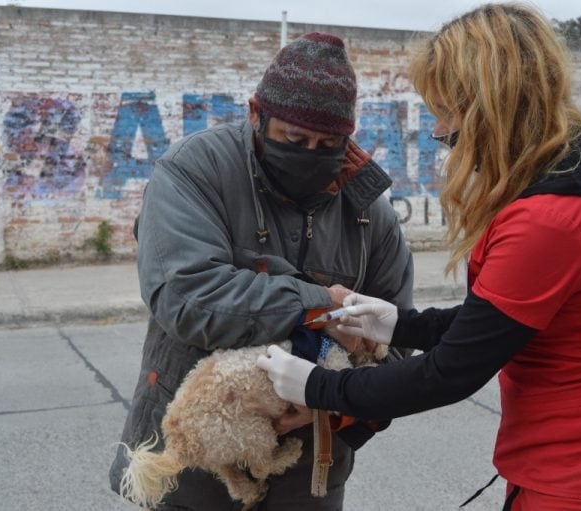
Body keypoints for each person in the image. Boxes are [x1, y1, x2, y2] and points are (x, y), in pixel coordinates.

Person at [256, 4, 581, 510]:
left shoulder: (550, 220)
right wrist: (398, 325)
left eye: (447, 111)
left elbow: (450, 372)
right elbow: (502, 321)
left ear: (494, 106)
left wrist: (320, 387)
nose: (439, 131)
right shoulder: (570, 185)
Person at [108, 32, 414, 510]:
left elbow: (397, 338)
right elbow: (187, 297)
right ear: (256, 113)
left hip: (310, 467)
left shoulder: (370, 210)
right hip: (197, 459)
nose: (311, 152)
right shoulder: (194, 170)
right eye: (294, 139)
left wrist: (333, 402)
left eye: (328, 142)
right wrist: (320, 306)